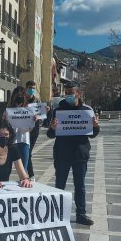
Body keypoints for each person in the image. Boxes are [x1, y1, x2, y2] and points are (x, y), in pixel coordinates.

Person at [47, 85, 99, 226]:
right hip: (62, 153)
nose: (69, 96)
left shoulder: (87, 110)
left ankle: (81, 214)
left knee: (80, 185)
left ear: (79, 94)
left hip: (79, 154)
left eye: (72, 93)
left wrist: (95, 126)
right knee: (59, 185)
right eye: (67, 93)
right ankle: (57, 213)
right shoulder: (58, 110)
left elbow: (93, 134)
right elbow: (50, 134)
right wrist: (52, 127)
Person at [7, 87, 40, 179]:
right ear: (14, 97)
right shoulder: (8, 110)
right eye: (18, 95)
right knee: (7, 167)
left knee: (24, 169)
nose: (20, 97)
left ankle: (24, 185)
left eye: (22, 95)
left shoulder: (29, 110)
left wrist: (33, 121)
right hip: (11, 142)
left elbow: (29, 129)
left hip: (24, 141)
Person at [26, 80, 49, 180]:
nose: (31, 90)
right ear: (26, 88)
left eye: (33, 88)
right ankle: (27, 174)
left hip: (34, 129)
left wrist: (45, 111)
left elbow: (41, 116)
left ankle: (30, 175)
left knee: (28, 152)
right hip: (22, 129)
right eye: (30, 88)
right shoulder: (21, 99)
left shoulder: (37, 101)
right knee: (24, 152)